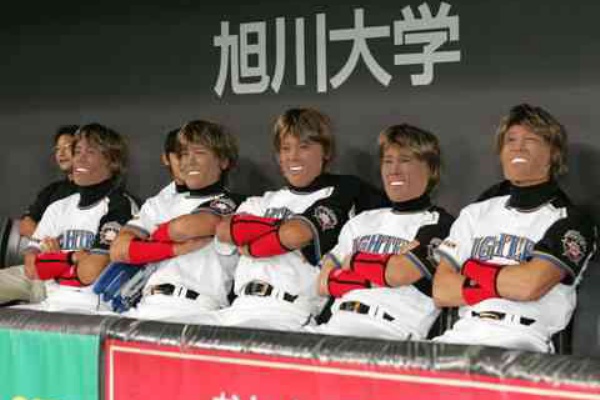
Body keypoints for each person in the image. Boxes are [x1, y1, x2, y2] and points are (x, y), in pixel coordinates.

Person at [188, 107, 387, 331]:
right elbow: (226, 230)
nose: (293, 156)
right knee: (174, 337)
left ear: (326, 151)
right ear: (278, 157)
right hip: (239, 307)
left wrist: (254, 244)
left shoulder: (342, 191)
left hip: (287, 313)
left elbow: (296, 234)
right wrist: (282, 235)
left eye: (304, 147)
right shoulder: (263, 201)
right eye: (285, 148)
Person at [432, 104, 598, 352]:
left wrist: (472, 271)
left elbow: (528, 286)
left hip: (522, 338)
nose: (517, 147)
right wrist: (507, 278)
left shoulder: (571, 220)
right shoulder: (475, 213)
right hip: (463, 332)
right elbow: (441, 290)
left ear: (553, 154)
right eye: (510, 140)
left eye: (530, 140)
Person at [313, 124, 454, 340]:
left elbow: (399, 273)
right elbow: (324, 283)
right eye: (388, 161)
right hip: (337, 324)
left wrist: (351, 262)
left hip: (390, 331)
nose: (393, 170)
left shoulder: (441, 223)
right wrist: (382, 269)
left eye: (405, 160)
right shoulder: (362, 221)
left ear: (431, 169)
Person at [109, 120, 245, 322]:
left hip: (197, 309)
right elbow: (118, 250)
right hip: (147, 303)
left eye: (199, 153)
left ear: (223, 161)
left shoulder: (237, 202)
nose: (189, 161)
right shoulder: (160, 203)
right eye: (183, 154)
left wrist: (147, 243)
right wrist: (174, 249)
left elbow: (185, 228)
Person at [0, 123, 139, 312]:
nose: (79, 158)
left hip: (90, 308)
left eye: (90, 152)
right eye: (78, 151)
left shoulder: (120, 206)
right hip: (51, 298)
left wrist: (52, 262)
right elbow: (31, 268)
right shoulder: (58, 207)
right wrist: (71, 258)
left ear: (112, 162)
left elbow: (92, 272)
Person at [19, 125, 79, 238]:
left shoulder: (99, 189)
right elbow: (25, 224)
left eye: (67, 147)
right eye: (57, 149)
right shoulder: (51, 191)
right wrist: (47, 242)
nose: (61, 153)